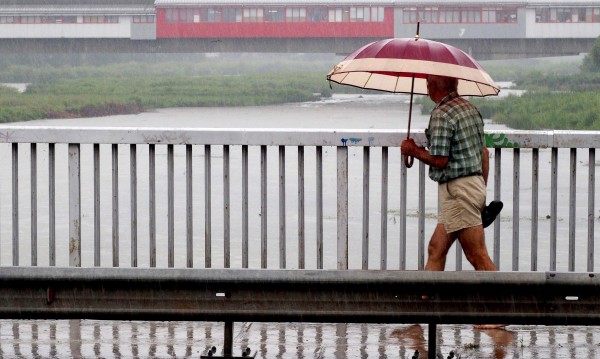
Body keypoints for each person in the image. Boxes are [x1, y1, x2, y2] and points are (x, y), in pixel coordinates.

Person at [401, 75, 504, 329]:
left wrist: (413, 151)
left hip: (457, 191)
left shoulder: (442, 114)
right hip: (473, 186)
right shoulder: (471, 110)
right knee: (436, 248)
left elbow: (441, 160)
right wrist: (479, 192)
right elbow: (484, 154)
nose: (426, 87)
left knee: (476, 254)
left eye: (428, 83)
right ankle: (422, 310)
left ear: (439, 85)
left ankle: (500, 311)